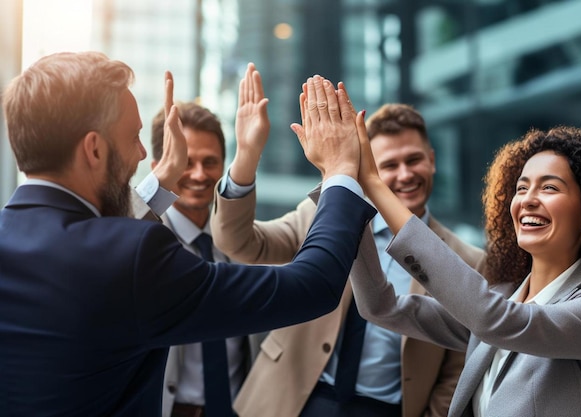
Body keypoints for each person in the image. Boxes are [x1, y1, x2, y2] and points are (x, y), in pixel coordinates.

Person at [0, 51, 377, 417]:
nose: (141, 154)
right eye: (133, 137)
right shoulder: (134, 254)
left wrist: (165, 177)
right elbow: (313, 286)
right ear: (94, 150)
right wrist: (340, 171)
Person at [210, 68, 485, 417]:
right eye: (389, 165)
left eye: (414, 159)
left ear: (431, 160)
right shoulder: (321, 217)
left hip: (388, 409)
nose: (405, 174)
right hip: (293, 398)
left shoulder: (467, 259)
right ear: (368, 167)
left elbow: (458, 366)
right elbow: (238, 243)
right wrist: (246, 156)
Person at [344, 118, 581, 416]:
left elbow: (496, 320)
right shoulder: (502, 296)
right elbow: (380, 307)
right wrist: (344, 186)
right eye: (521, 188)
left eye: (549, 188)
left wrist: (375, 183)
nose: (528, 200)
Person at [150, 101, 262, 416]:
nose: (199, 175)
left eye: (210, 162)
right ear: (160, 167)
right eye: (185, 161)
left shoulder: (248, 243)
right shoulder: (140, 244)